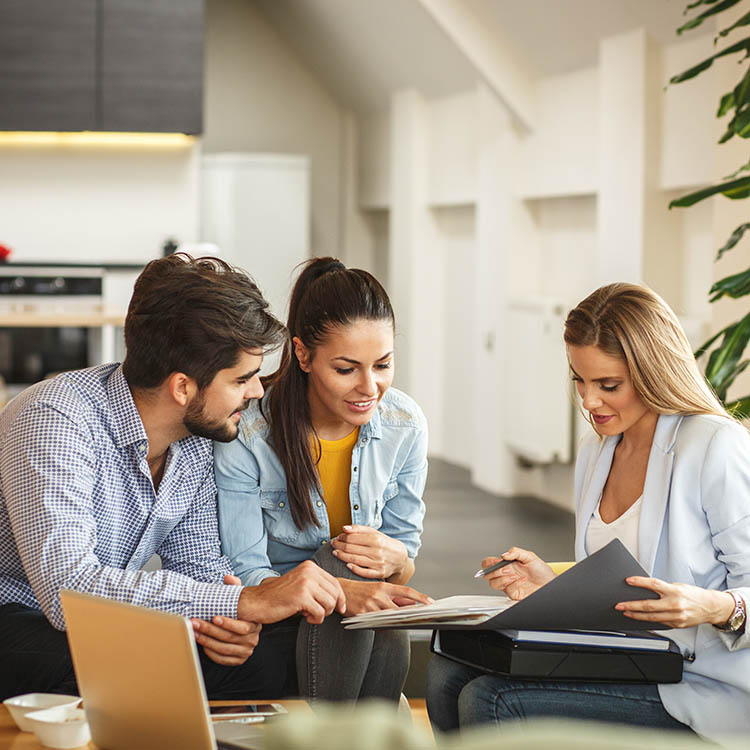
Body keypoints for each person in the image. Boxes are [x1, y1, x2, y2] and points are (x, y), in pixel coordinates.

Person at [0, 254, 347, 702]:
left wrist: (229, 625)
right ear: (182, 387)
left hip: (103, 623)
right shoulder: (56, 416)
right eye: (242, 379)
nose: (257, 391)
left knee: (263, 661)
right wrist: (240, 603)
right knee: (121, 659)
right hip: (19, 616)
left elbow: (200, 567)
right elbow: (68, 589)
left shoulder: (197, 440)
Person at [426, 283, 750, 742]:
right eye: (579, 379)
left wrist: (712, 606)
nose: (588, 401)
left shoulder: (716, 446)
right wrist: (551, 582)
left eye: (608, 385)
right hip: (630, 663)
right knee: (447, 674)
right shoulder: (598, 451)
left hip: (704, 687)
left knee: (491, 699)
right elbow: (626, 581)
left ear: (653, 372)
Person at [214, 257, 432, 703]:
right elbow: (245, 571)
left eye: (383, 365)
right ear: (302, 354)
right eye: (347, 369)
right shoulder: (250, 432)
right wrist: (341, 590)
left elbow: (403, 562)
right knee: (337, 562)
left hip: (360, 618)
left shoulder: (404, 425)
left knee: (377, 605)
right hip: (280, 614)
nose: (370, 387)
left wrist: (394, 559)